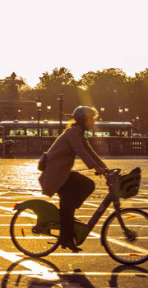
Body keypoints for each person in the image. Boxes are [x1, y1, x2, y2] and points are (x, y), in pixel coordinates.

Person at [38, 106, 108, 252]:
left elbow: (90, 152)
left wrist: (105, 169)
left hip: (63, 173)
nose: (94, 121)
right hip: (56, 174)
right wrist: (96, 168)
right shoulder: (72, 133)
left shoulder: (79, 133)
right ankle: (67, 237)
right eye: (92, 118)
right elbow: (80, 151)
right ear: (84, 120)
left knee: (88, 185)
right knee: (69, 201)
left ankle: (66, 216)